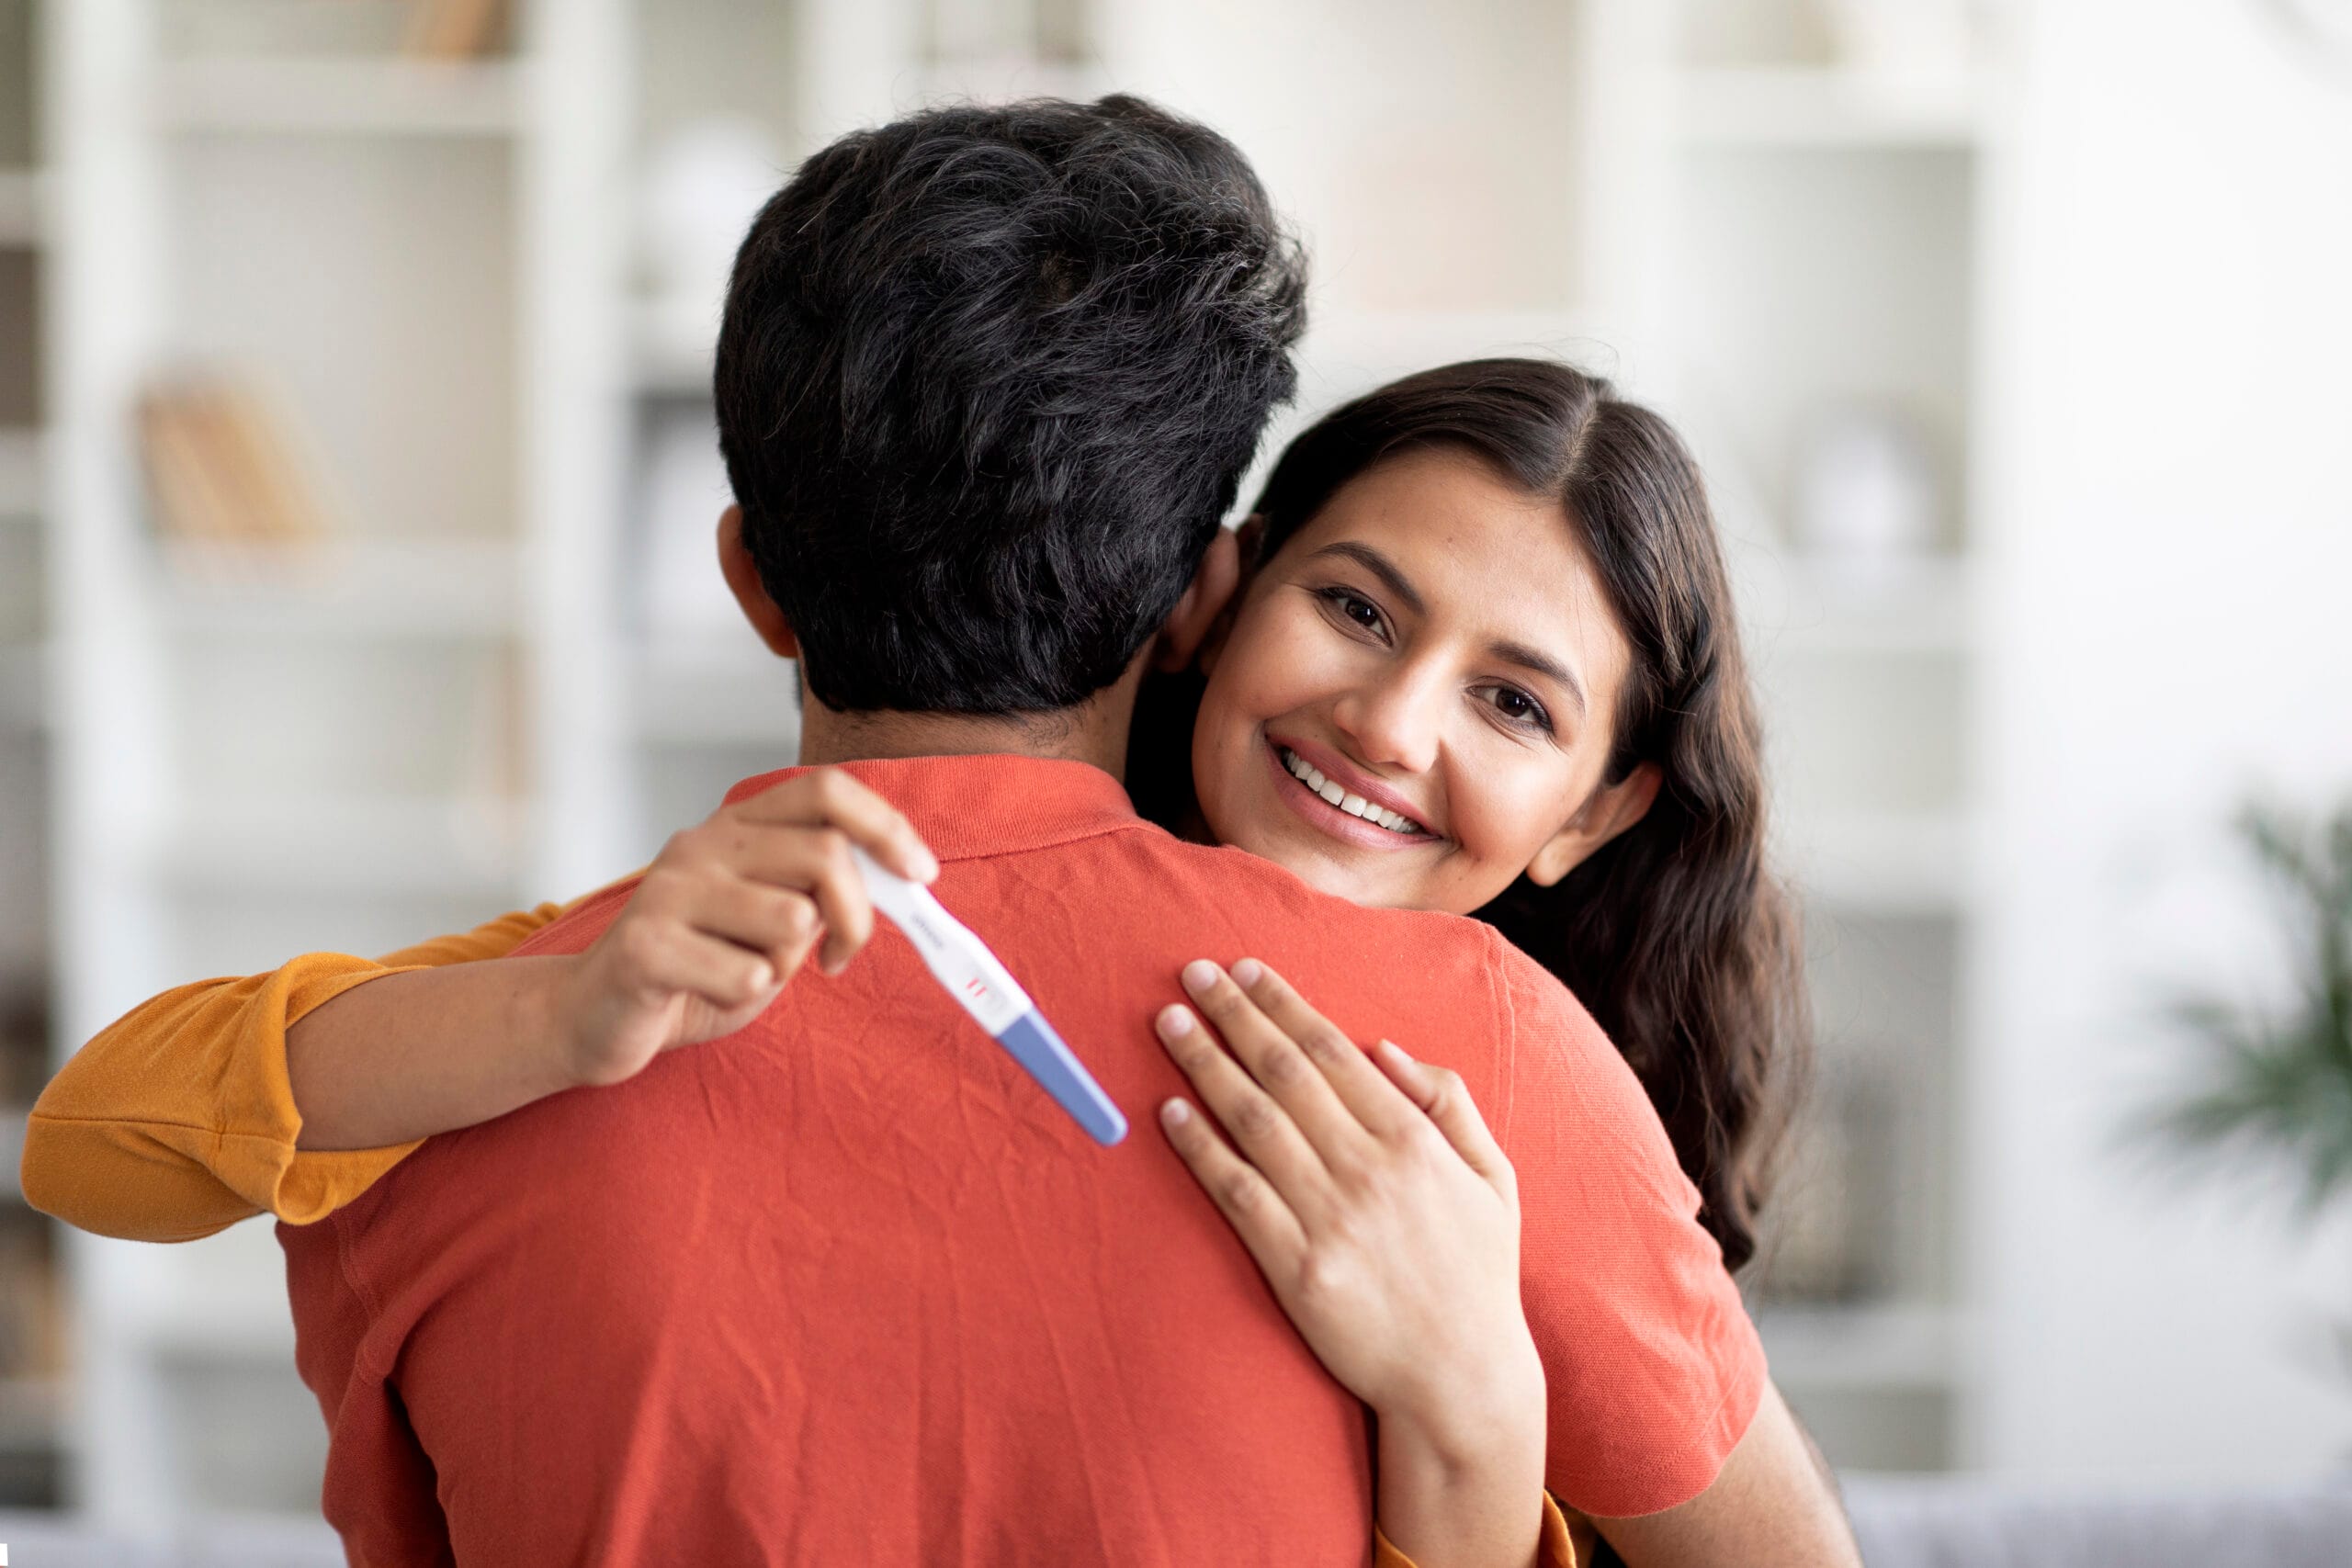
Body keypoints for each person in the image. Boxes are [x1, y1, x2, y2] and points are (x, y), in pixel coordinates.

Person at [24, 99, 1855, 1568]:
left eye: (1512, 700)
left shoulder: (434, 1074)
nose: (1388, 724)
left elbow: (87, 1139)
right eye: (1361, 613)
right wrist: (1461, 1444)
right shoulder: (1479, 1065)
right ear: (1198, 595)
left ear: (746, 579)